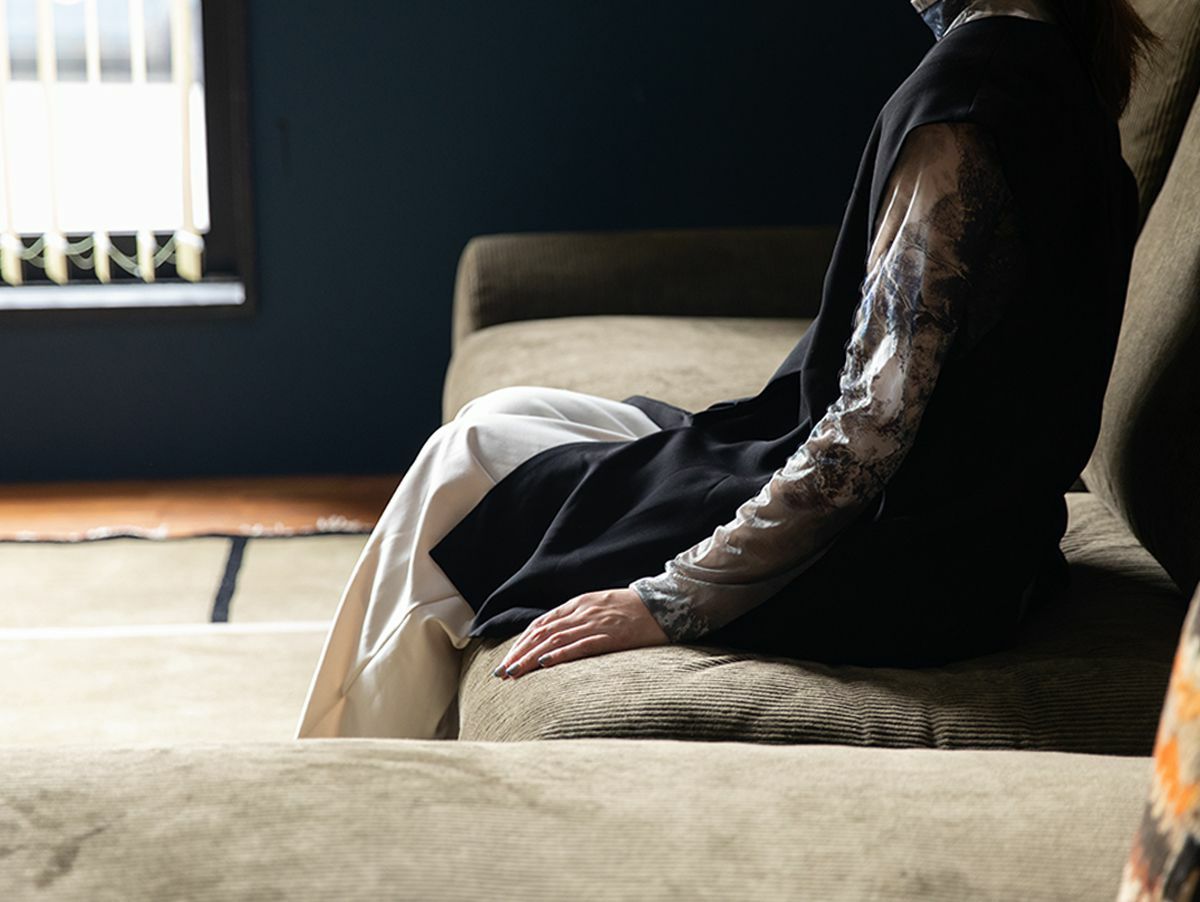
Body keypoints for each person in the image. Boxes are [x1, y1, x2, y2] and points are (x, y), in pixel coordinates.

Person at [297, 0, 1156, 741]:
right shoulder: (1059, 73)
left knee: (468, 469)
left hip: (896, 557)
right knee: (499, 418)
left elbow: (869, 433)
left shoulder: (966, 108)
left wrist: (669, 600)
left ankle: (349, 798)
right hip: (981, 549)